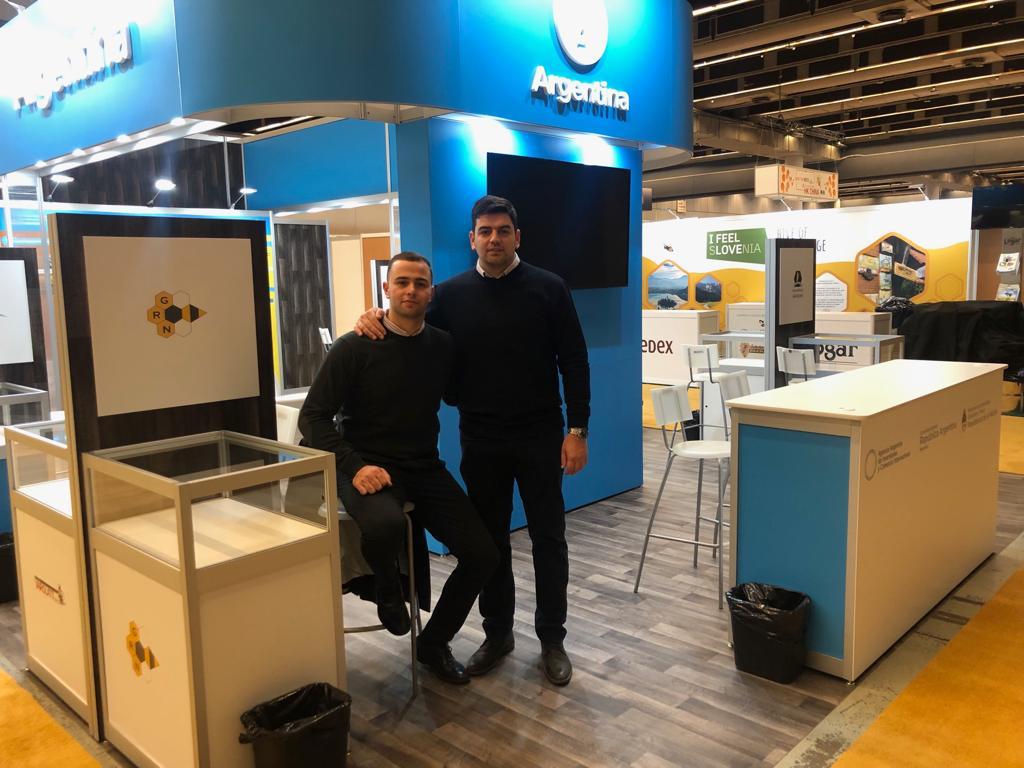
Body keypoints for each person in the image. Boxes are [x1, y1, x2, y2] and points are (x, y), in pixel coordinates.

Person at [356, 195, 590, 686]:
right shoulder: (450, 295)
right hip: (480, 437)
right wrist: (371, 317)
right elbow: (408, 326)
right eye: (485, 231)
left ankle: (552, 638)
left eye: (502, 231)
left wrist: (577, 431)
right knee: (491, 541)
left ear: (517, 237)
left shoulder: (549, 288)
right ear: (472, 239)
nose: (494, 239)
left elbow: (574, 360)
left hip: (540, 433)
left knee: (549, 538)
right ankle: (498, 633)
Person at [300, 251, 498, 685]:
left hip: (424, 466)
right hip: (364, 465)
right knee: (386, 524)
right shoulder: (353, 346)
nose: (411, 291)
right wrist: (354, 467)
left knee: (483, 555)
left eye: (420, 284)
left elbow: (458, 392)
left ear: (431, 292)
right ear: (386, 288)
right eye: (402, 282)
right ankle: (388, 590)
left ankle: (433, 643)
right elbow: (312, 418)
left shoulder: (442, 346)